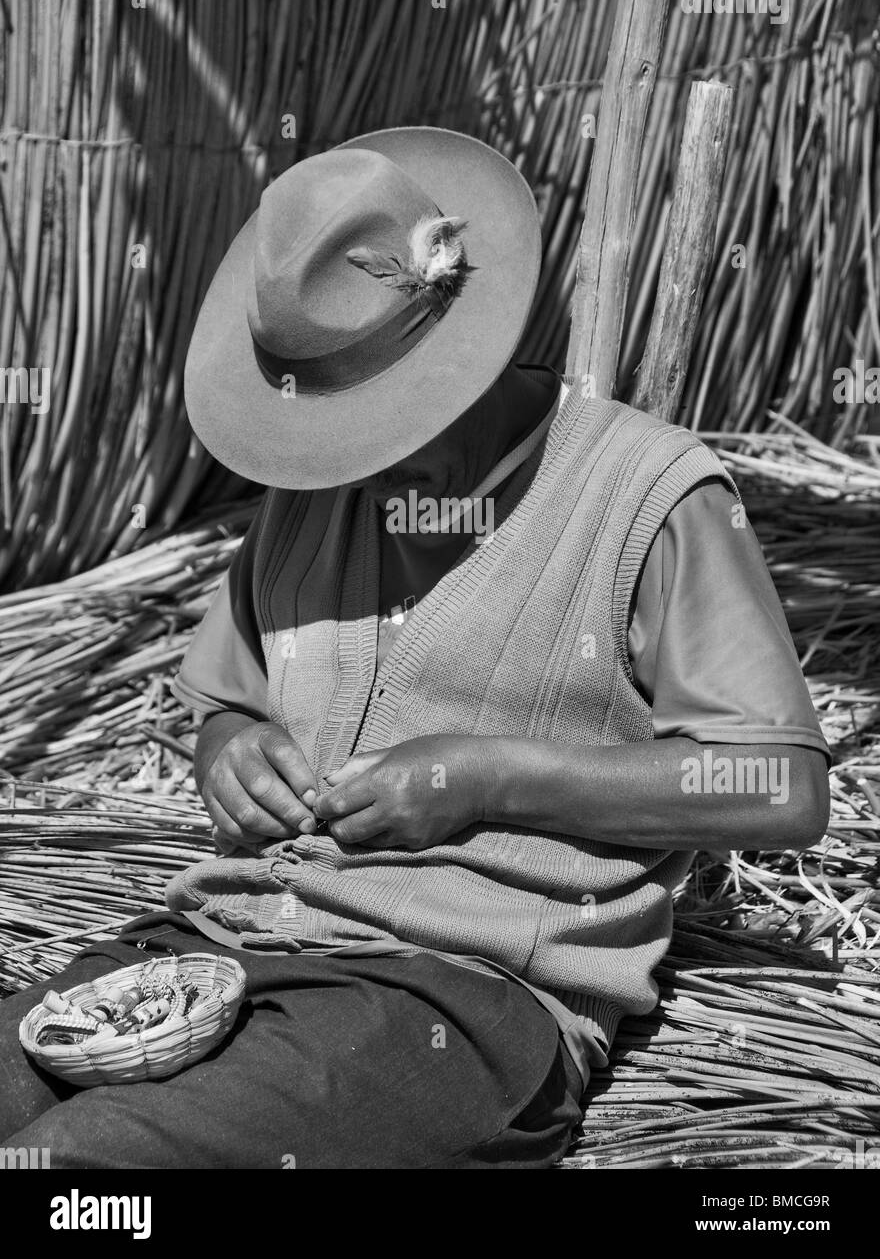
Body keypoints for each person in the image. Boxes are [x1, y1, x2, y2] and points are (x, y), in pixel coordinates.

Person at [0, 127, 830, 1169]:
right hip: (220, 948)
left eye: (377, 415)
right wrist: (228, 746)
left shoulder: (646, 496)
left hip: (452, 995)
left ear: (462, 356)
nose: (353, 455)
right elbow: (229, 694)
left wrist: (488, 776)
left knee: (85, 1168)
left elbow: (781, 788)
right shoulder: (314, 491)